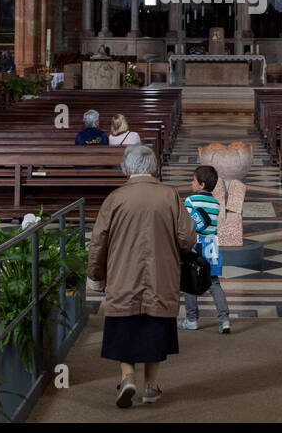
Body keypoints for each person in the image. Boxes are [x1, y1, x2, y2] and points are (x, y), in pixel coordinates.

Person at [87, 144, 196, 408]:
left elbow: (98, 241)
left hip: (123, 275)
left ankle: (127, 378)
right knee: (155, 327)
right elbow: (187, 238)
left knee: (123, 325)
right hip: (161, 275)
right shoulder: (170, 195)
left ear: (125, 168)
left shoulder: (115, 198)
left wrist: (95, 275)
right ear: (154, 167)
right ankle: (150, 386)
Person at [178, 165, 232, 334]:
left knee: (190, 281)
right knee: (214, 283)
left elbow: (186, 226)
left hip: (194, 245)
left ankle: (192, 319)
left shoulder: (190, 201)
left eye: (193, 180)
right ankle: (224, 320)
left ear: (201, 185)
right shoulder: (216, 204)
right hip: (211, 246)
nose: (191, 183)